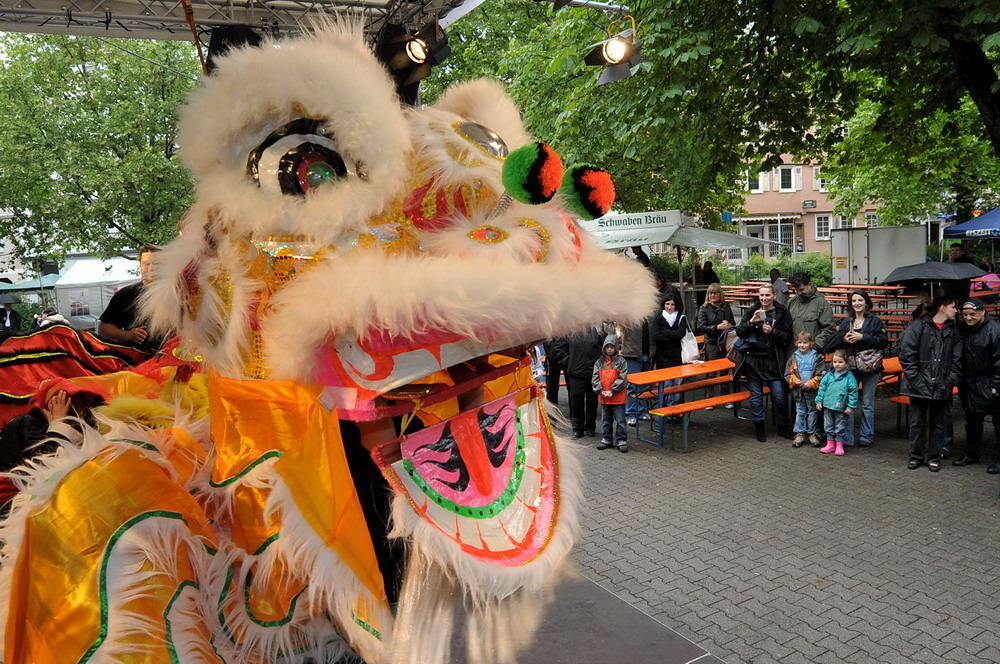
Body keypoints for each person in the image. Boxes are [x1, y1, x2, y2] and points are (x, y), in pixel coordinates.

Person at [899, 296, 962, 472]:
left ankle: (934, 457)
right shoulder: (919, 326)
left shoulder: (954, 331)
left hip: (941, 384)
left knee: (938, 423)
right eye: (953, 306)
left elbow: (958, 360)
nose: (956, 310)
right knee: (917, 422)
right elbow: (906, 354)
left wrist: (950, 381)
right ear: (942, 307)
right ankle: (916, 456)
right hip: (919, 385)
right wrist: (915, 378)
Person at [823, 289, 888, 448]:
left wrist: (862, 337)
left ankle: (866, 435)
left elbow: (883, 341)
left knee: (867, 403)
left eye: (860, 300)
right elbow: (833, 343)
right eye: (854, 301)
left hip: (869, 367)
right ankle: (847, 437)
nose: (857, 304)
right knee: (848, 402)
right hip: (851, 366)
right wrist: (844, 338)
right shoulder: (846, 322)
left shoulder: (875, 321)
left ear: (866, 302)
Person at [735, 283, 793, 441]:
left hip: (773, 359)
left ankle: (782, 426)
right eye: (761, 295)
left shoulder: (782, 312)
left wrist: (773, 331)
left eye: (767, 295)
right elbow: (740, 332)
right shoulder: (751, 310)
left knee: (779, 395)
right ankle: (759, 427)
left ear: (774, 295)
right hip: (754, 359)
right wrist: (751, 322)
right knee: (756, 396)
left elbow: (788, 336)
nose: (764, 298)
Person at [955, 299, 1000, 474]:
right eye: (965, 314)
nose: (968, 318)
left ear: (983, 312)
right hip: (969, 381)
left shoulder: (994, 330)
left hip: (990, 380)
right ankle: (971, 453)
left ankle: (998, 458)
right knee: (972, 420)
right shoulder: (961, 329)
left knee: (998, 422)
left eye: (972, 314)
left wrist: (996, 385)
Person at [98, 244, 162, 351]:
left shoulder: (178, 293)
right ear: (140, 265)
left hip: (172, 357)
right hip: (137, 358)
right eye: (146, 264)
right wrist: (127, 335)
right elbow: (104, 329)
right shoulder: (125, 294)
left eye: (157, 263)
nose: (151, 268)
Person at [786, 331, 826, 448]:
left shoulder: (817, 357)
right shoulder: (793, 358)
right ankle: (800, 433)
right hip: (798, 390)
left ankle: (812, 433)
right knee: (800, 411)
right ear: (796, 343)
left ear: (811, 343)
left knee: (812, 411)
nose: (802, 345)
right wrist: (795, 381)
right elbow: (788, 373)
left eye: (805, 343)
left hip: (812, 390)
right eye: (800, 342)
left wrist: (811, 383)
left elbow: (822, 373)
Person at [696, 283, 735, 404]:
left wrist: (728, 325)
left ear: (720, 294)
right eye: (711, 293)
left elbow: (733, 322)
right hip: (712, 343)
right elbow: (700, 327)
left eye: (716, 293)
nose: (713, 295)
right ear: (708, 295)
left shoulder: (726, 307)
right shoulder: (704, 308)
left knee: (725, 370)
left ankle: (725, 397)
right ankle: (710, 398)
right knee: (711, 371)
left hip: (725, 342)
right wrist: (716, 327)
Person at [561, 327, 603, 439]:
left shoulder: (597, 331)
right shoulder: (570, 330)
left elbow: (603, 347)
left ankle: (590, 427)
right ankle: (577, 428)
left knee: (592, 401)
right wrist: (568, 362)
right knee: (576, 400)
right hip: (575, 372)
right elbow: (560, 347)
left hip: (592, 371)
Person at [815, 349, 858, 457]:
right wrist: (819, 400)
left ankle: (839, 445)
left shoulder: (849, 378)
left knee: (840, 426)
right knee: (828, 425)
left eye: (840, 362)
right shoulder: (828, 376)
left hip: (841, 407)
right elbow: (822, 388)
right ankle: (830, 444)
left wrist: (850, 406)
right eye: (835, 362)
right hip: (828, 406)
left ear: (846, 363)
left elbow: (853, 393)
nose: (837, 364)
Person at [652, 292, 689, 408]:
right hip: (662, 357)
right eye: (667, 304)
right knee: (666, 385)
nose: (669, 307)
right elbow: (656, 335)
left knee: (677, 385)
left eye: (672, 304)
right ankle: (666, 409)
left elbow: (680, 334)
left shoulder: (681, 317)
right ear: (663, 304)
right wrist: (673, 335)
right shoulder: (658, 317)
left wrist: (665, 333)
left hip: (678, 356)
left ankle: (676, 410)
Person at [592, 335, 629, 453]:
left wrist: (612, 390)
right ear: (604, 348)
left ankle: (621, 440)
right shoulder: (599, 362)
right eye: (607, 347)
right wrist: (601, 390)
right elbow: (595, 377)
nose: (609, 349)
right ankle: (606, 439)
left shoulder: (622, 362)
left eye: (612, 347)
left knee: (620, 421)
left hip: (617, 397)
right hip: (604, 396)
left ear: (616, 348)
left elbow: (622, 378)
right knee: (606, 420)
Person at [620, 309, 657, 426]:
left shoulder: (653, 311)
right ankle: (631, 413)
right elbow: (619, 327)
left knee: (646, 385)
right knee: (632, 385)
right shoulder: (628, 311)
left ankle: (642, 410)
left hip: (649, 352)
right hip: (632, 353)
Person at [786, 271, 836, 351]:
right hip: (793, 351)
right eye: (796, 290)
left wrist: (814, 345)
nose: (799, 293)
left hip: (813, 351)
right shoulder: (791, 302)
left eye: (801, 289)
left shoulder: (821, 303)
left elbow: (829, 328)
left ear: (809, 284)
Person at [543, 338, 567, 406]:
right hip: (552, 359)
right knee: (551, 388)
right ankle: (552, 411)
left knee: (572, 388)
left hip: (565, 356)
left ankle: (573, 414)